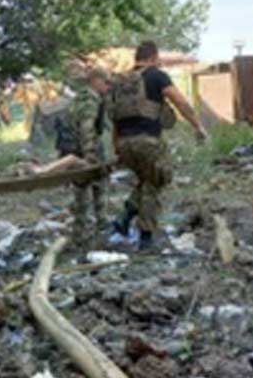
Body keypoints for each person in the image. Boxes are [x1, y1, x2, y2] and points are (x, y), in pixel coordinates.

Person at [108, 41, 208, 251]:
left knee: (146, 180)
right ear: (153, 57)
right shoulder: (156, 75)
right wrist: (198, 126)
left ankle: (124, 220)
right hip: (148, 141)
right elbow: (180, 101)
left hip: (125, 143)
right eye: (158, 58)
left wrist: (116, 146)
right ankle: (145, 236)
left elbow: (115, 118)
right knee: (158, 180)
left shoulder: (121, 82)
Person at [58, 68, 110, 251]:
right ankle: (96, 236)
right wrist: (90, 155)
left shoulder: (79, 98)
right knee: (95, 193)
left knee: (81, 195)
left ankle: (81, 237)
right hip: (84, 151)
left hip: (72, 150)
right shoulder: (90, 98)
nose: (107, 87)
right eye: (106, 82)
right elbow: (87, 127)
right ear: (96, 80)